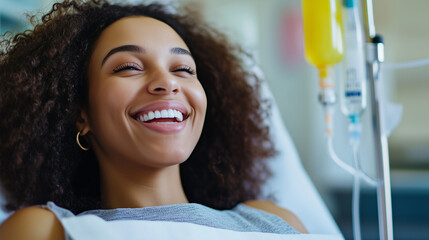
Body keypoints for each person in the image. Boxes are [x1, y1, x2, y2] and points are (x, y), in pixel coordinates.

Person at [0, 0, 307, 238]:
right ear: (80, 114)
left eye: (183, 69)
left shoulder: (273, 223)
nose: (168, 83)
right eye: (129, 67)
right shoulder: (44, 231)